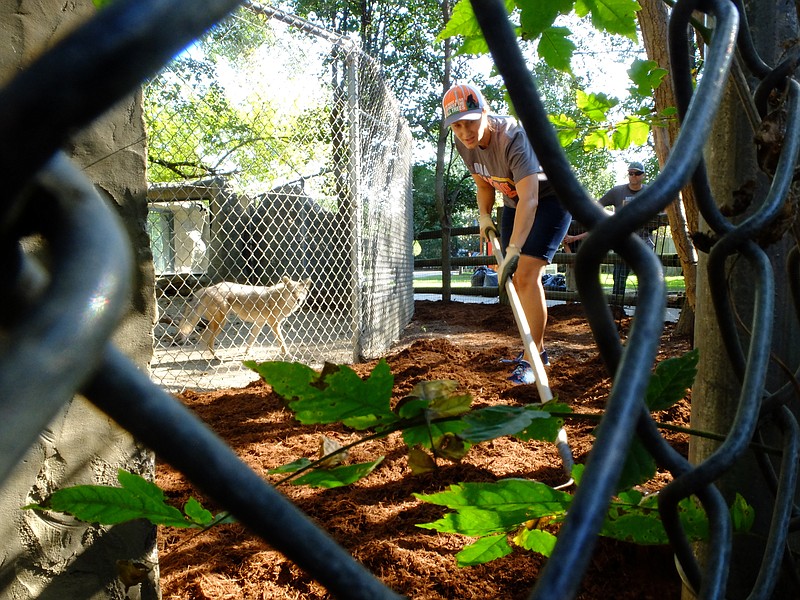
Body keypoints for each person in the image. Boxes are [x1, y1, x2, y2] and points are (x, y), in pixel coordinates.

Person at [442, 83, 572, 384]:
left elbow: (531, 198)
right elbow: (484, 184)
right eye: (457, 126)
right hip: (513, 200)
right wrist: (484, 214)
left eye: (470, 122)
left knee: (526, 274)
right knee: (513, 279)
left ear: (484, 112)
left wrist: (514, 248)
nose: (465, 132)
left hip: (551, 198)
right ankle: (535, 351)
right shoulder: (464, 143)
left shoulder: (513, 137)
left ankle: (533, 358)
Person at [599, 161, 654, 299]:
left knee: (645, 278)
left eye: (637, 173)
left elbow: (662, 211)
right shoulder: (617, 191)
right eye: (631, 173)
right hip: (622, 242)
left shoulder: (650, 192)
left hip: (644, 242)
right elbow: (598, 205)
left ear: (643, 175)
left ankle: (644, 311)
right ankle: (617, 309)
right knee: (619, 278)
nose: (634, 176)